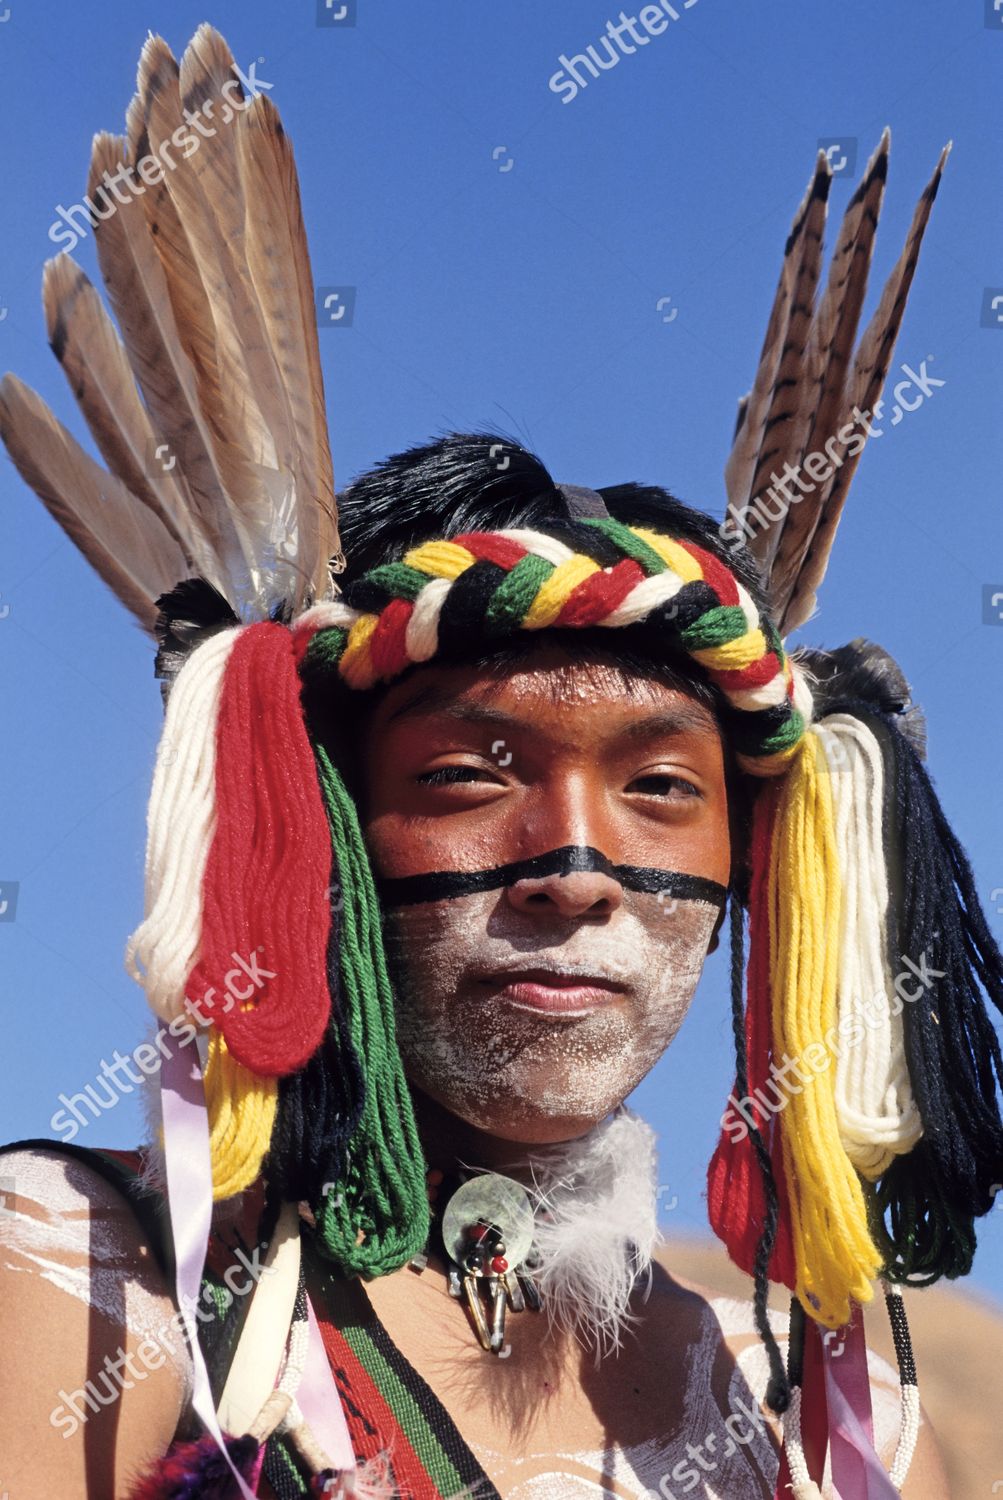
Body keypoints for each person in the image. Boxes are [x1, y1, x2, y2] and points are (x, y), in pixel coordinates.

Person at [0, 24, 993, 1500]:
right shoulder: (85, 1289)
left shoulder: (835, 1408)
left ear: (760, 863)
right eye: (472, 775)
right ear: (319, 825)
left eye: (662, 784)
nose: (576, 869)